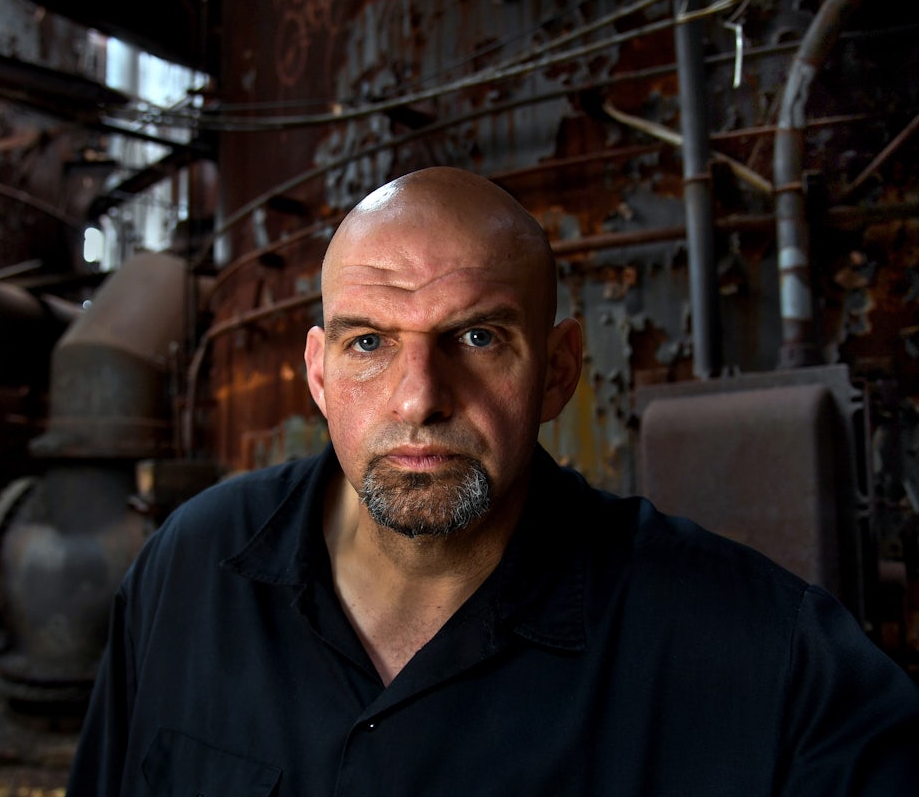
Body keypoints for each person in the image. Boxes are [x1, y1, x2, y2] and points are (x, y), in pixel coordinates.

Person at [66, 167, 919, 796]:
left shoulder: (764, 662)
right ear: (319, 378)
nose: (419, 398)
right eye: (370, 343)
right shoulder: (186, 571)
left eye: (477, 338)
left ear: (558, 371)